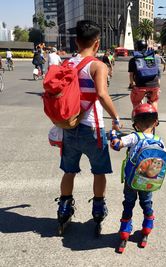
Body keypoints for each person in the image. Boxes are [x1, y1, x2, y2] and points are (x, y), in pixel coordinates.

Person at [57, 20, 121, 233]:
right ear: (97, 43)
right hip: (93, 128)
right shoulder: (97, 65)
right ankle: (97, 209)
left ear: (76, 41)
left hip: (69, 126)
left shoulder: (67, 64)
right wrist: (116, 117)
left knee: (69, 171)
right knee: (99, 171)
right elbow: (102, 94)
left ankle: (64, 208)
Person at [110, 103, 166, 249]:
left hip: (131, 180)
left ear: (135, 124)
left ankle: (124, 233)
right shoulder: (159, 141)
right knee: (146, 203)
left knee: (128, 204)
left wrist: (114, 133)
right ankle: (146, 229)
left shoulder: (134, 137)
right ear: (156, 122)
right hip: (149, 181)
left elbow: (115, 145)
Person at [128, 40, 160, 110]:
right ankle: (155, 119)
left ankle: (138, 119)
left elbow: (131, 75)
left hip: (140, 86)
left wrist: (131, 84)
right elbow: (157, 71)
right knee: (154, 100)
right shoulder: (152, 57)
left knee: (136, 101)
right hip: (155, 85)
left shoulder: (133, 60)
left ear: (136, 48)